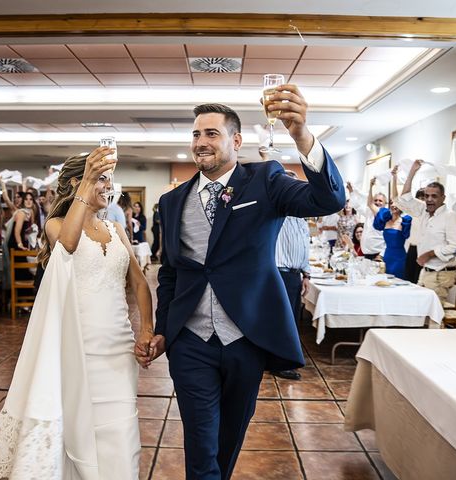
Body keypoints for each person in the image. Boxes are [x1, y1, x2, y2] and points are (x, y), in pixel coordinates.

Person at [148, 86, 345, 479]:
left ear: (236, 141)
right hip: (190, 341)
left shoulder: (265, 181)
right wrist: (162, 330)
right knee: (200, 443)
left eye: (212, 133)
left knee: (229, 437)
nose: (201, 142)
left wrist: (301, 134)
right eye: (196, 134)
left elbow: (327, 201)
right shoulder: (171, 202)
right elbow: (171, 271)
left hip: (246, 337)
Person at [0, 148, 155, 479]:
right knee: (77, 433)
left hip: (118, 351)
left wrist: (146, 329)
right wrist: (89, 181)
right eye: (100, 179)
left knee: (122, 437)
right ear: (79, 183)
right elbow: (69, 246)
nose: (108, 186)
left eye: (109, 179)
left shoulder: (117, 230)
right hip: (77, 348)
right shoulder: (56, 225)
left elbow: (140, 283)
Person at [397, 159, 456, 303]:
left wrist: (429, 254)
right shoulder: (423, 211)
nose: (429, 199)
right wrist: (412, 172)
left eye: (434, 196)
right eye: (426, 196)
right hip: (426, 271)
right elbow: (404, 198)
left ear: (443, 198)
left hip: (440, 274)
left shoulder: (449, 216)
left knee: (433, 319)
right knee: (417, 310)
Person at [270, 169, 311, 381]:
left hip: (295, 275)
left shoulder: (300, 217)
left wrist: (307, 274)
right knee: (280, 321)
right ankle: (278, 363)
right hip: (278, 273)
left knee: (291, 320)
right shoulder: (275, 212)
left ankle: (283, 360)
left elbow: (305, 246)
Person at [347, 180, 387, 260]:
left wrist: (381, 255)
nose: (377, 202)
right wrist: (351, 191)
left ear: (385, 204)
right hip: (366, 255)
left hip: (378, 255)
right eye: (375, 200)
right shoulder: (369, 212)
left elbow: (389, 239)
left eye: (380, 201)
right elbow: (357, 205)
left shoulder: (386, 216)